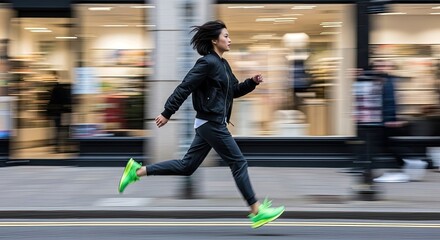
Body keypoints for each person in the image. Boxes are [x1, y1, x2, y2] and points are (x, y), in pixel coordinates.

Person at [118, 20, 284, 228]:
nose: (229, 39)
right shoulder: (207, 63)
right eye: (225, 36)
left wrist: (251, 82)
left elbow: (233, 91)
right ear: (214, 40)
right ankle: (256, 211)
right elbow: (185, 87)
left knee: (187, 167)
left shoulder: (223, 64)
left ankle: (136, 172)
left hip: (210, 123)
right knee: (238, 162)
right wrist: (167, 112)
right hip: (211, 123)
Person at [372, 60, 427, 183]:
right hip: (384, 120)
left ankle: (412, 162)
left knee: (390, 144)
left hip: (387, 120)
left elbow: (390, 101)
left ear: (389, 67)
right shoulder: (384, 80)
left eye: (383, 65)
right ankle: (409, 165)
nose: (380, 67)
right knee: (389, 144)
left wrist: (391, 119)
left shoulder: (387, 81)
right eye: (378, 66)